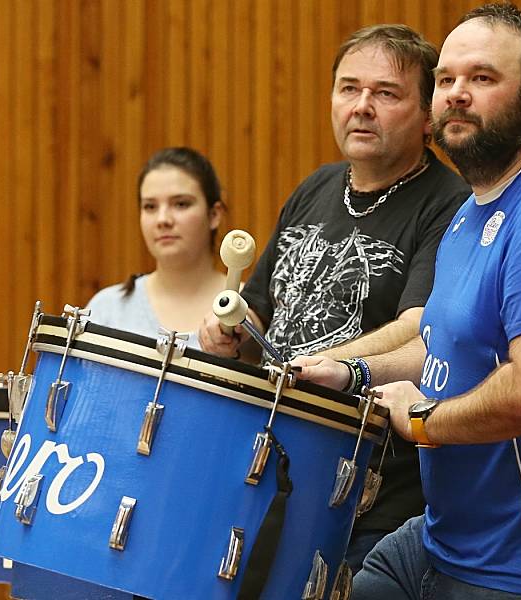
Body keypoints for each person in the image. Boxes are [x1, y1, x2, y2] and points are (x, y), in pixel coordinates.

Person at [295, 3, 521, 598]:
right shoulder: (474, 208)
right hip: (443, 539)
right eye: (446, 79)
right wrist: (353, 371)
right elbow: (444, 343)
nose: (456, 94)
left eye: (482, 79)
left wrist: (424, 421)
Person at [199, 25, 471, 571]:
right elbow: (261, 317)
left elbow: (422, 328)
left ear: (427, 118)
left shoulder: (449, 204)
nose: (362, 107)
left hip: (370, 496)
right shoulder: (316, 186)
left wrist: (333, 363)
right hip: (270, 472)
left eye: (385, 93)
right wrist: (230, 332)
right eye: (349, 89)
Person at [87, 147, 228, 348]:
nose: (163, 220)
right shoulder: (106, 310)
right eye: (150, 207)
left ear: (214, 215)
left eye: (180, 204)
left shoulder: (249, 311)